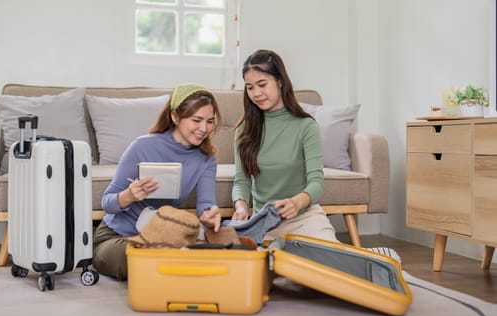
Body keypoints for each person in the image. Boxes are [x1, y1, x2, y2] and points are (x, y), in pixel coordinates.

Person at [93, 83, 223, 280]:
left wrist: (209, 214)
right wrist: (128, 196)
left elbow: (206, 204)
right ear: (175, 116)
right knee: (139, 262)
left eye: (210, 121)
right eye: (196, 120)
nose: (204, 129)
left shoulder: (206, 158)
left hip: (161, 239)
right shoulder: (142, 146)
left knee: (179, 261)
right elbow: (107, 203)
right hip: (117, 237)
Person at [231, 49, 338, 243]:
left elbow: (317, 183)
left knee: (330, 266)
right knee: (266, 271)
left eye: (262, 84)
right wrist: (240, 206)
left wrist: (296, 203)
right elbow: (242, 181)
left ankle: (380, 260)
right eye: (250, 87)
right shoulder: (243, 131)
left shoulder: (306, 126)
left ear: (280, 81)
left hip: (304, 218)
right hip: (263, 223)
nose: (256, 93)